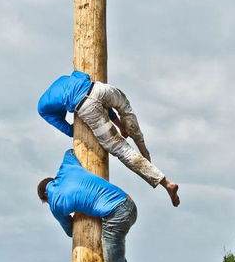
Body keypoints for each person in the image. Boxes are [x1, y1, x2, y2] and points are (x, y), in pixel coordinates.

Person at [37, 70, 180, 206]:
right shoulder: (65, 79)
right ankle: (144, 150)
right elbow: (93, 91)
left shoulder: (43, 109)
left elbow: (70, 130)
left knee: (120, 149)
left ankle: (166, 183)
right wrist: (119, 125)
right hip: (100, 89)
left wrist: (90, 122)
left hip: (85, 106)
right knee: (126, 109)